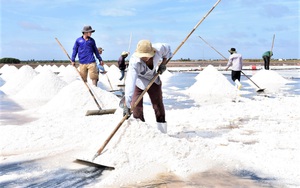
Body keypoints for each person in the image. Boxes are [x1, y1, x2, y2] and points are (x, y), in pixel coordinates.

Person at [124, 39, 172, 133]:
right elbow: (130, 82)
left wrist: (163, 64)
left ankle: (162, 131)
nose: (145, 58)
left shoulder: (159, 48)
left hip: (153, 77)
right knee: (136, 105)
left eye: (147, 56)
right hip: (139, 79)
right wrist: (127, 104)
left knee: (157, 104)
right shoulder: (134, 62)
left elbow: (168, 51)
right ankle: (142, 131)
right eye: (142, 56)